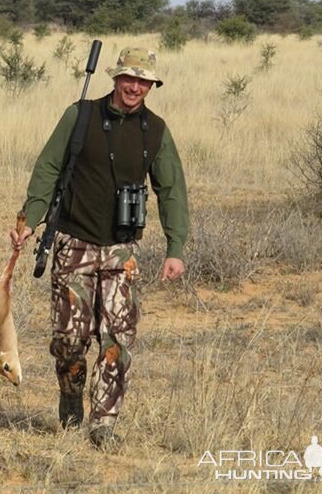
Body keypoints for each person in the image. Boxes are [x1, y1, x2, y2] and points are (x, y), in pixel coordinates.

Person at [10, 47, 188, 449]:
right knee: (70, 341)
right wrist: (31, 218)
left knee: (117, 341)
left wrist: (175, 246)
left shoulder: (155, 130)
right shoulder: (81, 115)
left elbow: (172, 189)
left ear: (151, 86)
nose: (135, 87)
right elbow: (48, 169)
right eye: (129, 79)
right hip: (74, 242)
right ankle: (70, 400)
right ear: (116, 78)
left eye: (144, 82)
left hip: (121, 251)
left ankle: (103, 425)